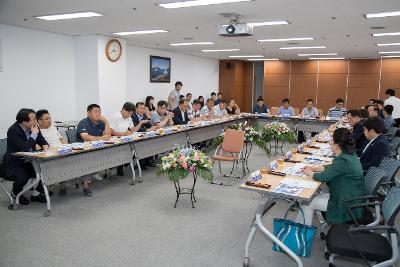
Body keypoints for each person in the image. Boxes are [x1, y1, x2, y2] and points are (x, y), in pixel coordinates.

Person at [300, 128, 365, 225]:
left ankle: (301, 236)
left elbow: (323, 178)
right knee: (314, 196)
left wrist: (309, 172)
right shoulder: (350, 154)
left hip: (346, 203)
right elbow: (334, 168)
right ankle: (321, 221)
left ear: (337, 145)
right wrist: (317, 168)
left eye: (332, 140)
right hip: (351, 197)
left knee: (307, 203)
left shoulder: (342, 160)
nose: (330, 142)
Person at [4, 108, 49, 205]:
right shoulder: (13, 131)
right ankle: (15, 194)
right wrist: (33, 135)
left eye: (35, 119)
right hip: (14, 163)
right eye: (33, 120)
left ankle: (36, 194)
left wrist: (45, 145)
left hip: (29, 160)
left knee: (47, 170)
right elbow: (24, 148)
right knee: (22, 176)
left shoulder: (34, 126)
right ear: (23, 122)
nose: (36, 121)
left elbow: (41, 140)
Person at [76, 104, 112, 196]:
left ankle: (94, 172)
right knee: (86, 160)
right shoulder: (83, 123)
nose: (98, 113)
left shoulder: (101, 122)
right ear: (88, 113)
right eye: (96, 111)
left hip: (97, 148)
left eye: (99, 111)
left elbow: (108, 135)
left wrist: (106, 122)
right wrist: (102, 138)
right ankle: (85, 186)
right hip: (83, 150)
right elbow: (86, 137)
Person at [36, 109, 69, 196]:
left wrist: (68, 147)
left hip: (61, 152)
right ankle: (49, 186)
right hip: (48, 155)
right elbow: (38, 147)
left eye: (50, 118)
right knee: (57, 164)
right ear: (39, 121)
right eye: (46, 119)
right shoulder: (36, 131)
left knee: (68, 162)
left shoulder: (53, 128)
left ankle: (63, 186)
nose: (49, 120)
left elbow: (62, 139)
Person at [132, 102, 158, 169]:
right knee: (143, 144)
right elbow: (135, 128)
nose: (142, 110)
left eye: (144, 109)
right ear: (136, 109)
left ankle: (148, 161)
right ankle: (141, 163)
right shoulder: (133, 116)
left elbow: (149, 125)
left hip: (143, 136)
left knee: (151, 141)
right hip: (134, 137)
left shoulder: (144, 116)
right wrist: (147, 130)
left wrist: (153, 127)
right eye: (141, 108)